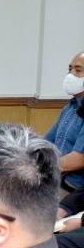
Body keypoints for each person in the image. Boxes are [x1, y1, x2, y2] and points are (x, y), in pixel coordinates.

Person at [48, 51, 84, 190]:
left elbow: (79, 159)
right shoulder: (69, 107)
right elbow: (47, 143)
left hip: (73, 187)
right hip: (55, 178)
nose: (71, 75)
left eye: (78, 70)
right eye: (70, 69)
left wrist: (39, 167)